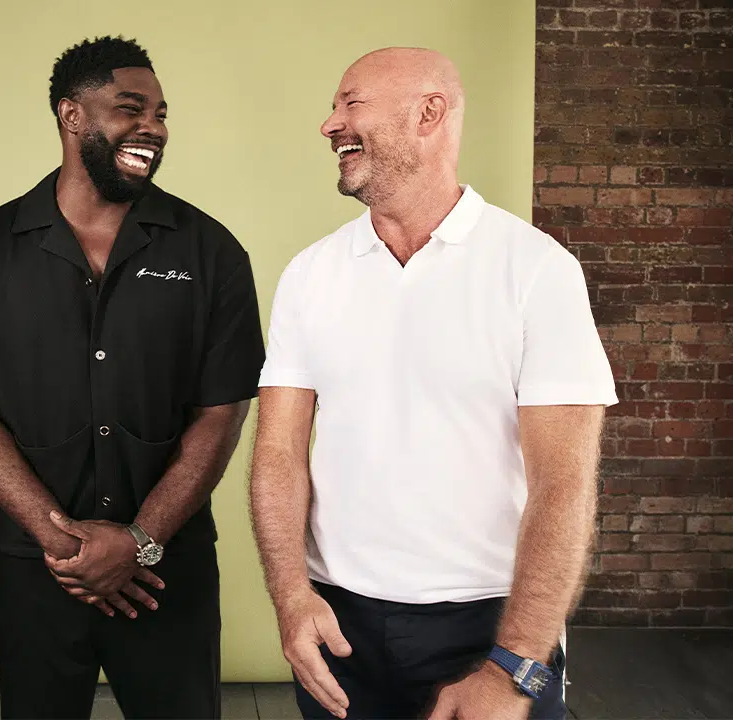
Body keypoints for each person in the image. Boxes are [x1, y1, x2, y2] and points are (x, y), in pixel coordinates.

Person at [250, 47, 617, 720]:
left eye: (351, 103)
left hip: (491, 627)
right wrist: (291, 598)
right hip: (340, 625)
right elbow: (277, 453)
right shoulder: (310, 274)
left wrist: (513, 667)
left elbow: (563, 483)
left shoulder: (537, 270)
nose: (329, 124)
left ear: (429, 113)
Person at [0, 36, 264, 719]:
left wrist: (139, 542)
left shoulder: (212, 251)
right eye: (130, 108)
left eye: (161, 114)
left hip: (166, 569)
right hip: (37, 569)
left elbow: (221, 413)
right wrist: (63, 542)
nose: (153, 128)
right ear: (71, 114)